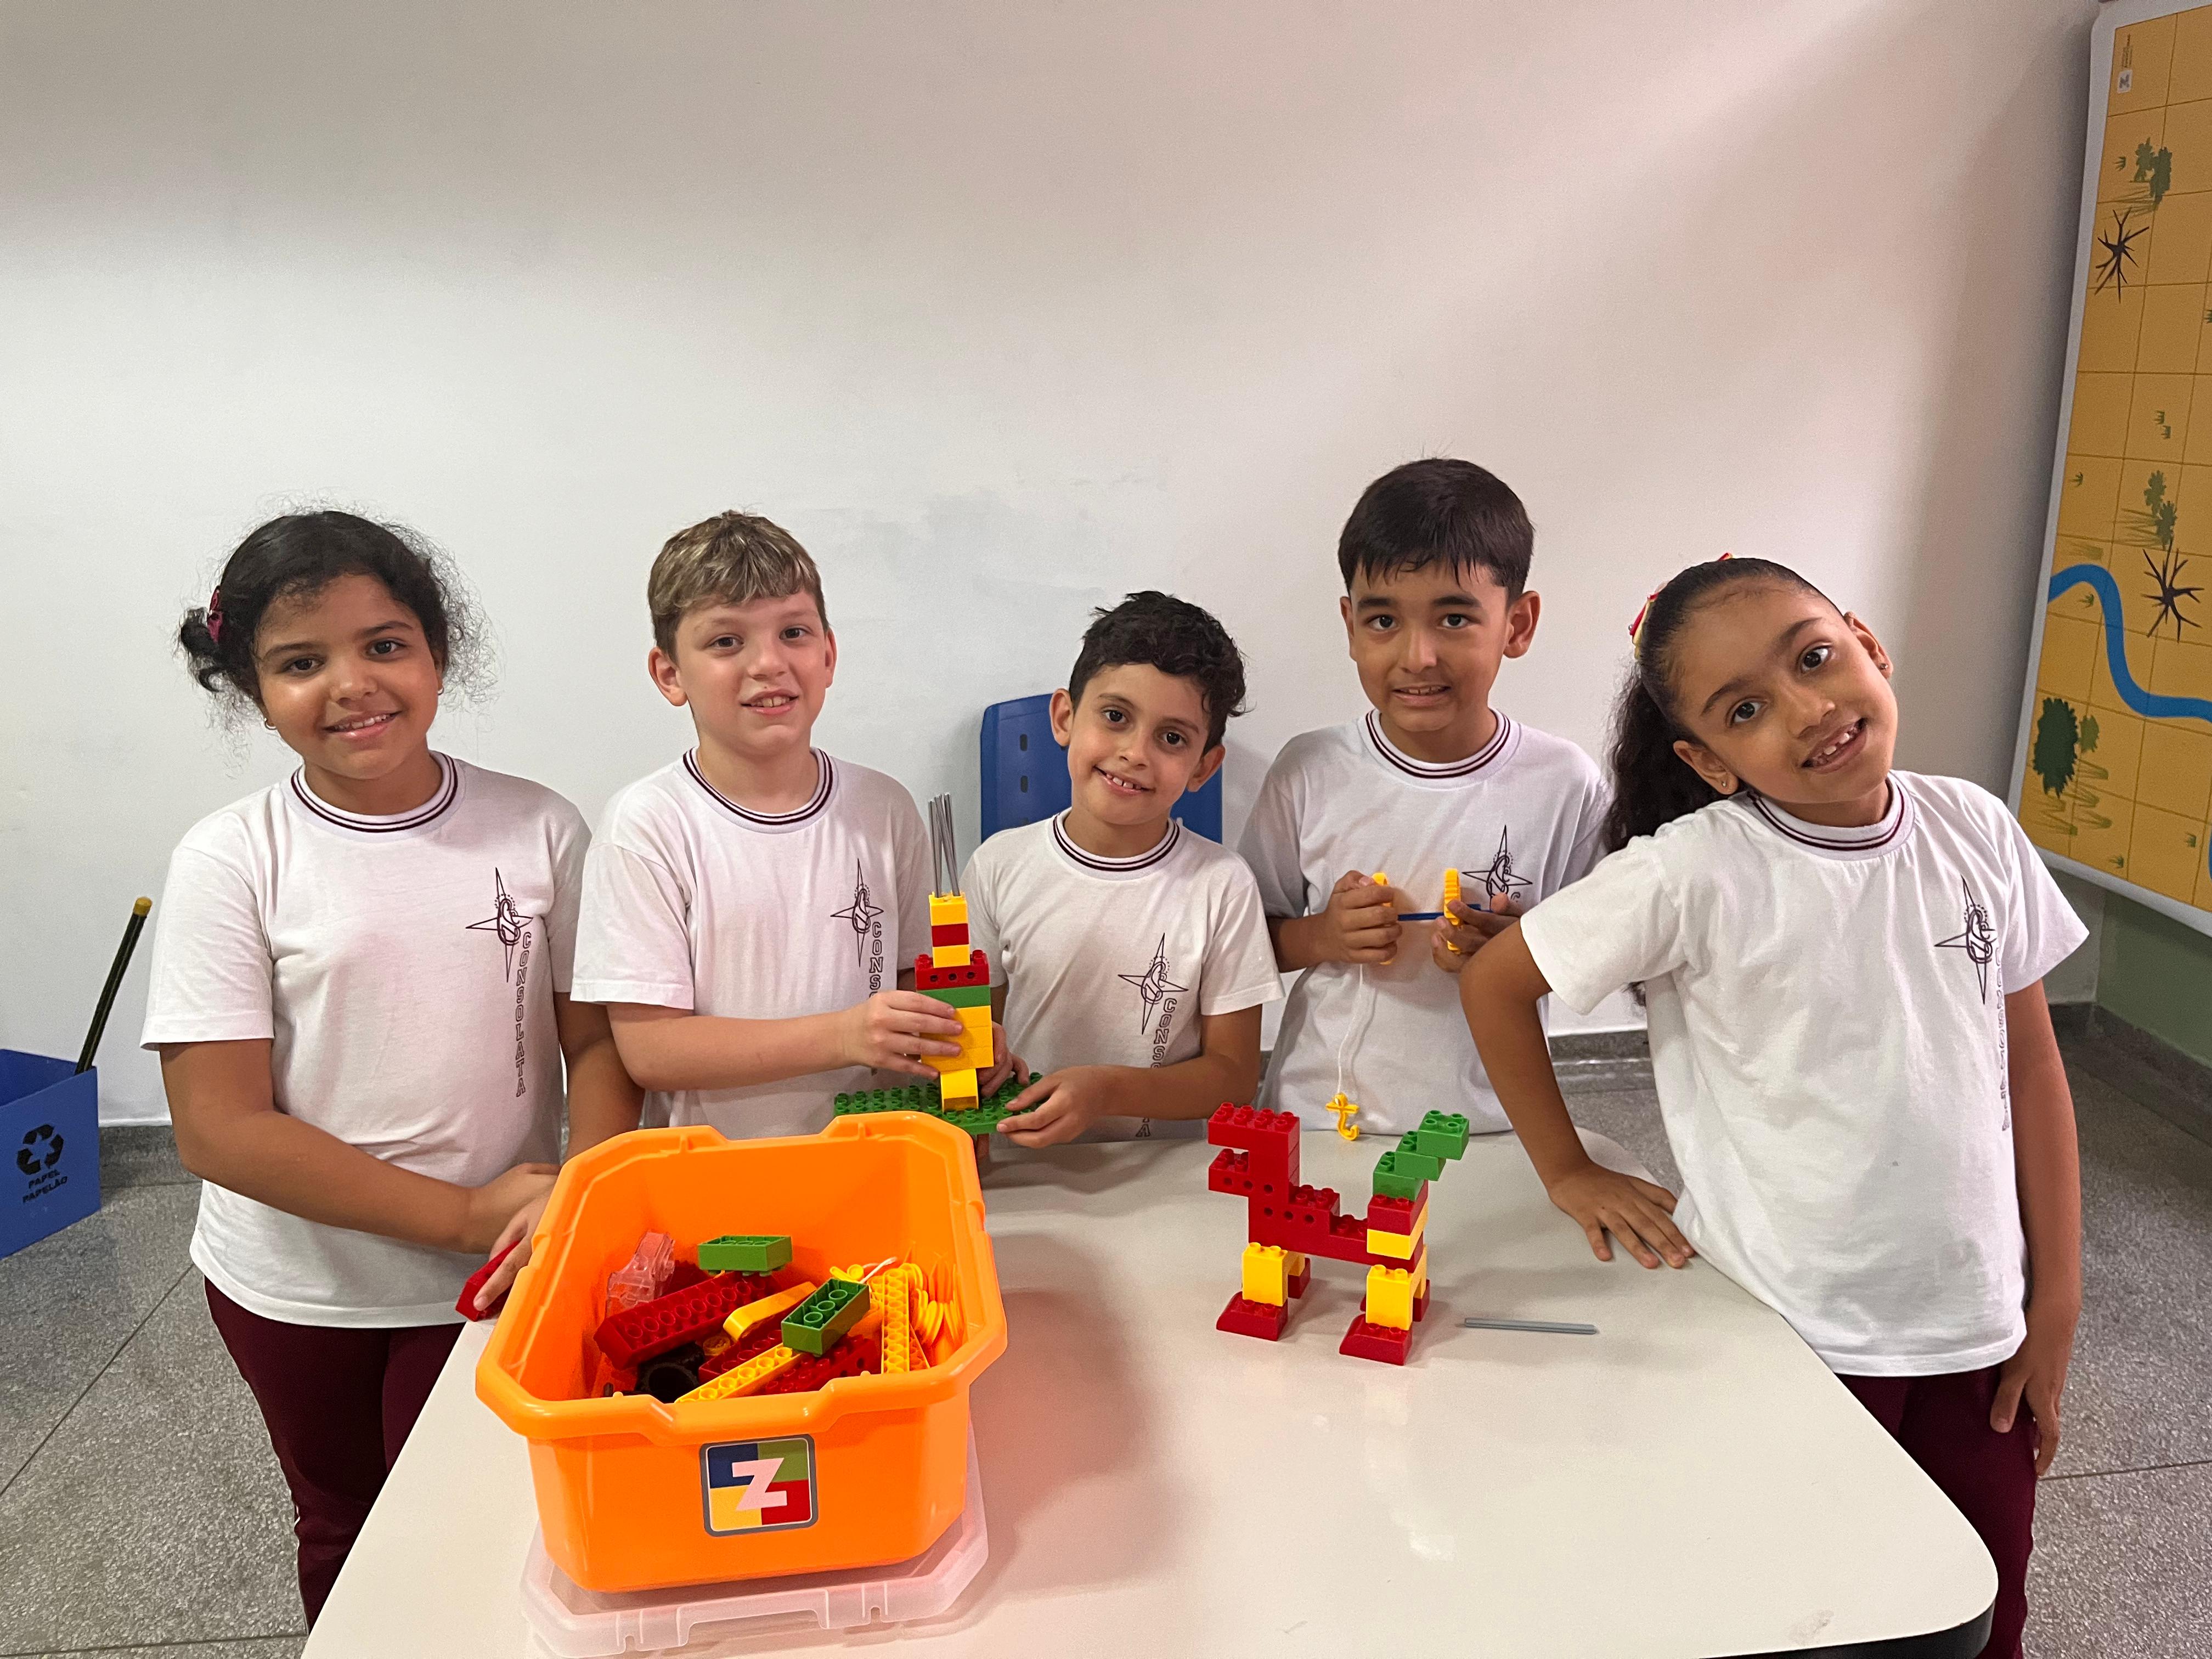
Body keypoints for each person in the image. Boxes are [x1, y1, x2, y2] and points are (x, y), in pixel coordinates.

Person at [1458, 555, 2083, 1659]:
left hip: (1973, 1331)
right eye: (1744, 709)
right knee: (1806, 1610)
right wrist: (1569, 1169)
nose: (1806, 709)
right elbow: (1496, 982)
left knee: (1980, 1610)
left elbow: (2031, 1065)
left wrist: (2058, 1296)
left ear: (1866, 644)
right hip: (1788, 1335)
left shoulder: (1975, 827)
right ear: (1707, 760)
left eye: (1815, 657)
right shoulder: (1692, 871)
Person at [141, 511, 637, 1623]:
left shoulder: (539, 826)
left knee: (488, 1522)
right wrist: (460, 1212)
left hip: (502, 1266)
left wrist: (582, 1192)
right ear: (250, 688)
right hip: (299, 1286)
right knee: (345, 1524)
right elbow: (219, 1126)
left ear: (437, 653)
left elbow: (598, 1039)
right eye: (300, 662)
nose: (352, 684)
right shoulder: (232, 857)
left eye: (384, 644)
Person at [573, 510, 1006, 1138]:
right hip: (720, 1174)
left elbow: (915, 983)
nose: (768, 663)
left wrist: (957, 1038)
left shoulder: (885, 808)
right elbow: (652, 1051)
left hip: (876, 1160)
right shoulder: (646, 825)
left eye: (794, 633)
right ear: (670, 675)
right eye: (727, 642)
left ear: (828, 655)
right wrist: (845, 1035)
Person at [1240, 458, 1609, 1135]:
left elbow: (1601, 953)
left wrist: (1520, 951)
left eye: (1455, 618)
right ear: (1351, 626)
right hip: (1319, 1121)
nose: (1418, 656)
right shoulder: (1309, 769)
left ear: (1518, 624)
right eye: (1383, 620)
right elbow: (1240, 943)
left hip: (1493, 1125)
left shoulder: (1567, 783)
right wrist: (1323, 934)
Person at [964, 591, 1281, 1146]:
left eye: (1172, 738)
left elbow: (1233, 1076)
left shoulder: (1223, 885)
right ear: (1065, 717)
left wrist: (1107, 1092)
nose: (1136, 753)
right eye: (1115, 717)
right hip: (1028, 1168)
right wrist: (977, 1063)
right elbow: (974, 1039)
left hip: (1164, 1175)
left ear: (1204, 767)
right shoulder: (996, 866)